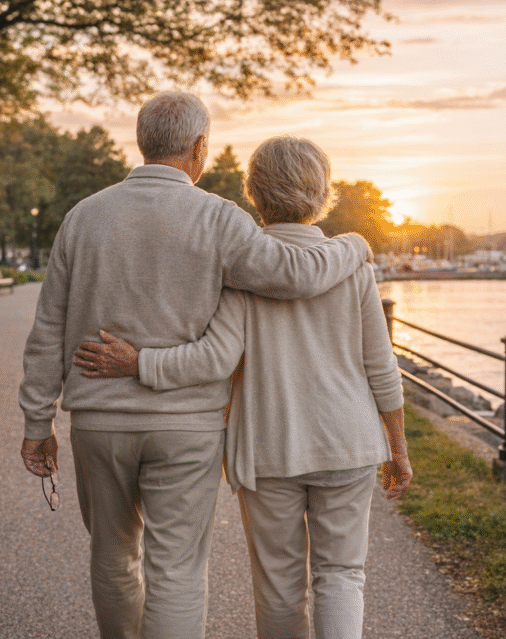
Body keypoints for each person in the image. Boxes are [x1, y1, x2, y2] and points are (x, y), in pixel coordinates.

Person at [18, 93, 373, 639]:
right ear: (199, 148)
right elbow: (296, 275)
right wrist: (353, 246)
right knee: (177, 569)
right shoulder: (219, 219)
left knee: (112, 559)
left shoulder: (83, 217)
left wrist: (36, 422)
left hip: (99, 420)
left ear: (142, 142)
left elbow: (48, 328)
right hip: (188, 426)